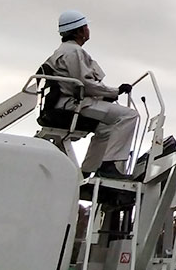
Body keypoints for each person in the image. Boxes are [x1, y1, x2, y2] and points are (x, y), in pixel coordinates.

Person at [44, 10, 139, 179]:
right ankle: (109, 166)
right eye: (86, 26)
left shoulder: (63, 51)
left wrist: (104, 95)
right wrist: (115, 92)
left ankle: (88, 171)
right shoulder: (74, 52)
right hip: (74, 104)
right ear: (79, 31)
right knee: (129, 115)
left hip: (68, 101)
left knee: (106, 128)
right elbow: (86, 84)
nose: (88, 29)